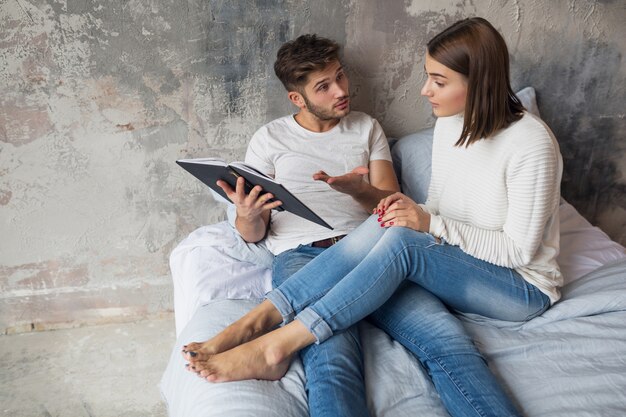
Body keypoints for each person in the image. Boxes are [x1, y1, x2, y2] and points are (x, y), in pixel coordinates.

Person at [185, 17, 564, 417]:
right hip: (324, 254)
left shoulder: (530, 142)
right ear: (297, 98)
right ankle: (264, 326)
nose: (424, 90)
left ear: (479, 81)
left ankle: (272, 334)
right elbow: (438, 206)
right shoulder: (451, 123)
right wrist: (415, 217)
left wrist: (401, 211)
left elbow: (518, 251)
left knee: (428, 304)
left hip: (515, 283)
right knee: (339, 343)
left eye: (438, 81)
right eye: (427, 77)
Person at [182, 34, 399, 417]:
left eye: (341, 77)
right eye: (324, 86)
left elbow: (391, 207)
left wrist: (359, 191)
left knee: (440, 336)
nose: (341, 91)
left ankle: (264, 339)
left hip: (367, 247)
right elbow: (254, 234)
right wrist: (247, 215)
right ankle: (263, 342)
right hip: (302, 256)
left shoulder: (367, 127)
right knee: (332, 356)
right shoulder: (269, 138)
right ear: (297, 98)